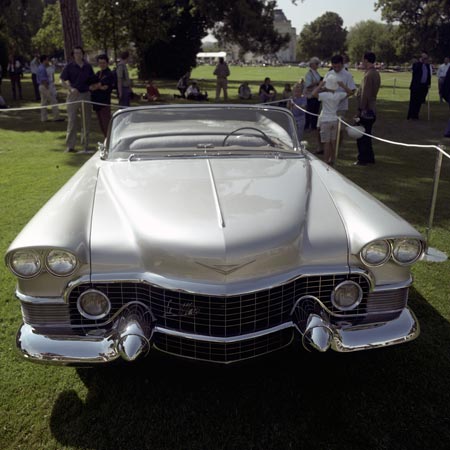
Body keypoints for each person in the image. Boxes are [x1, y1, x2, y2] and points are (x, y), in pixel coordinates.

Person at [312, 75, 353, 166]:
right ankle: (332, 159)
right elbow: (350, 93)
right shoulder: (339, 95)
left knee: (327, 142)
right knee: (333, 141)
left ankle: (326, 161)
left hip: (325, 120)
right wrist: (343, 85)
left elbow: (313, 94)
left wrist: (320, 85)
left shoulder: (324, 95)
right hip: (334, 120)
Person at [60, 46, 95, 152]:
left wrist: (92, 87)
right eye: (75, 53)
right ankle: (70, 146)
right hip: (73, 96)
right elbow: (61, 80)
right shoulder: (69, 66)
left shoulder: (88, 66)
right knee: (72, 121)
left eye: (79, 53)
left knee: (86, 121)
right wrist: (70, 89)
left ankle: (85, 145)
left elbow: (92, 80)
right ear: (73, 55)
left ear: (82, 54)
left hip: (86, 95)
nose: (77, 55)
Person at [354, 52, 381, 166]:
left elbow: (365, 94)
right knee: (367, 134)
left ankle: (363, 158)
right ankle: (369, 157)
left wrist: (360, 109)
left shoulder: (368, 75)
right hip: (372, 107)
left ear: (366, 60)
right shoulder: (375, 73)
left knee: (361, 135)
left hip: (367, 109)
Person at [324, 54, 356, 121]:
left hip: (341, 107)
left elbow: (352, 91)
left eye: (338, 66)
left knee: (338, 128)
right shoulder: (329, 74)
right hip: (329, 107)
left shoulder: (347, 75)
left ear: (342, 64)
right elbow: (324, 88)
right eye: (334, 66)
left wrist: (341, 97)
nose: (336, 69)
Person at [89, 54, 114, 138]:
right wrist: (98, 86)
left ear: (107, 63)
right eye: (100, 63)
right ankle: (106, 141)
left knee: (106, 124)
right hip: (96, 103)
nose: (101, 65)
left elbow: (102, 86)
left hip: (104, 103)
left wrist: (97, 86)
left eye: (103, 63)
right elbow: (92, 86)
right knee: (101, 125)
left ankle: (110, 142)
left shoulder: (109, 74)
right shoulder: (98, 73)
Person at [407, 52, 431, 120]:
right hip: (416, 86)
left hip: (423, 86)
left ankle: (416, 115)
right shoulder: (416, 65)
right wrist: (420, 62)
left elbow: (428, 75)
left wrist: (429, 83)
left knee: (419, 101)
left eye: (426, 58)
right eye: (424, 58)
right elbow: (415, 71)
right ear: (421, 58)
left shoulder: (427, 66)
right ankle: (411, 115)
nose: (425, 60)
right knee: (413, 101)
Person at [37, 55, 61, 122]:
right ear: (44, 60)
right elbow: (43, 80)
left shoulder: (40, 67)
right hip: (44, 86)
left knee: (43, 103)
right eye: (47, 60)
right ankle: (56, 117)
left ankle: (44, 118)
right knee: (54, 101)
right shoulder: (42, 68)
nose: (48, 61)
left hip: (41, 86)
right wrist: (48, 88)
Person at [304, 57, 322, 131]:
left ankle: (314, 126)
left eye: (318, 63)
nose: (318, 65)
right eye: (316, 64)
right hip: (310, 95)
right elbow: (308, 85)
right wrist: (318, 83)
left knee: (316, 111)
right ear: (311, 65)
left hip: (317, 95)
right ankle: (307, 126)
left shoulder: (317, 73)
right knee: (309, 111)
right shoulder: (309, 74)